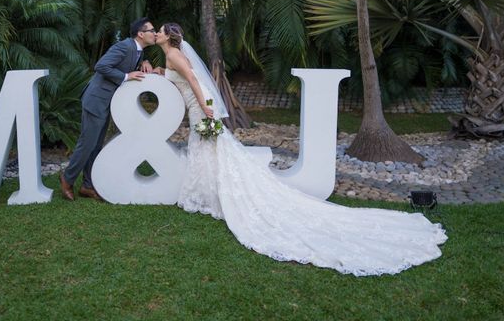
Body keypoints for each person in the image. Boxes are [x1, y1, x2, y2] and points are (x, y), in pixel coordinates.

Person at [156, 22, 447, 276]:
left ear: (169, 37)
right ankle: (207, 194)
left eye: (158, 31)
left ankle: (208, 196)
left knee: (211, 147)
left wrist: (206, 109)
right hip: (197, 106)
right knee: (211, 149)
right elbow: (179, 76)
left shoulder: (174, 54)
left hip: (199, 107)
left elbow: (193, 80)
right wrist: (156, 70)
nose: (155, 34)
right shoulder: (169, 56)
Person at [60, 18, 156, 201]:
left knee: (96, 145)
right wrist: (127, 76)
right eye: (152, 30)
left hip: (105, 103)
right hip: (96, 100)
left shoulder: (137, 51)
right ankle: (67, 178)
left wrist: (147, 62)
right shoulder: (124, 46)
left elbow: (133, 63)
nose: (156, 33)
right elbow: (101, 66)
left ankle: (87, 186)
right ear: (141, 34)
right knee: (87, 143)